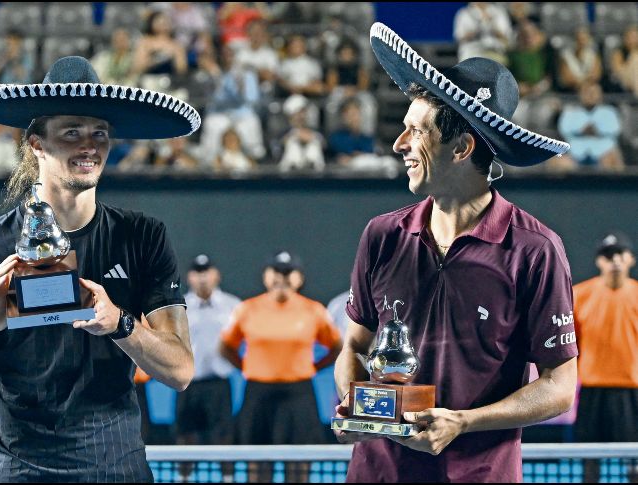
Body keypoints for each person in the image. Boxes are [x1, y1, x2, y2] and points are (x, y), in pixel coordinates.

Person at [0, 56, 200, 482]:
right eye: (72, 132)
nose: (90, 146)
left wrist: (120, 323)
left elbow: (181, 371)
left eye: (100, 133)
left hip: (119, 472)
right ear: (36, 144)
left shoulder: (142, 237)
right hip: (23, 474)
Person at [333, 23, 578, 482]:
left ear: (462, 147)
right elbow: (354, 345)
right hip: (378, 474)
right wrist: (355, 405)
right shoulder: (381, 235)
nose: (399, 144)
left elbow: (559, 387)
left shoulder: (535, 250)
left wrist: (463, 422)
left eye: (416, 131)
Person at [220, 250, 342, 482]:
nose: (281, 278)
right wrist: (248, 367)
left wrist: (312, 368)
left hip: (299, 396)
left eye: (288, 272)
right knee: (257, 461)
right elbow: (226, 347)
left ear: (299, 278)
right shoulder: (247, 309)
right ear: (266, 276)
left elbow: (337, 347)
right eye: (276, 272)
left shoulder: (314, 310)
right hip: (257, 396)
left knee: (299, 461)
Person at [573, 232, 638, 483]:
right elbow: (570, 345)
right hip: (593, 391)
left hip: (631, 393)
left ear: (631, 259)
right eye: (608, 256)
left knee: (634, 464)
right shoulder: (578, 295)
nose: (615, 261)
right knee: (590, 461)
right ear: (599, 261)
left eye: (620, 254)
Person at [176, 255, 240, 479]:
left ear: (216, 275)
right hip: (188, 383)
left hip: (219, 385)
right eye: (197, 272)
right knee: (185, 436)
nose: (202, 277)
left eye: (207, 271)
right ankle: (183, 479)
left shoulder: (234, 306)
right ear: (189, 277)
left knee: (224, 436)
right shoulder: (178, 307)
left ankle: (228, 479)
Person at [555, 81, 624, 171]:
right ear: (580, 94)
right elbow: (564, 129)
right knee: (557, 161)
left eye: (594, 92)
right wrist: (581, 130)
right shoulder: (570, 112)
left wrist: (597, 130)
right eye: (587, 92)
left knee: (613, 160)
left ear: (600, 95)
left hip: (603, 152)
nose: (591, 95)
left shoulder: (609, 111)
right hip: (575, 154)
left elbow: (615, 130)